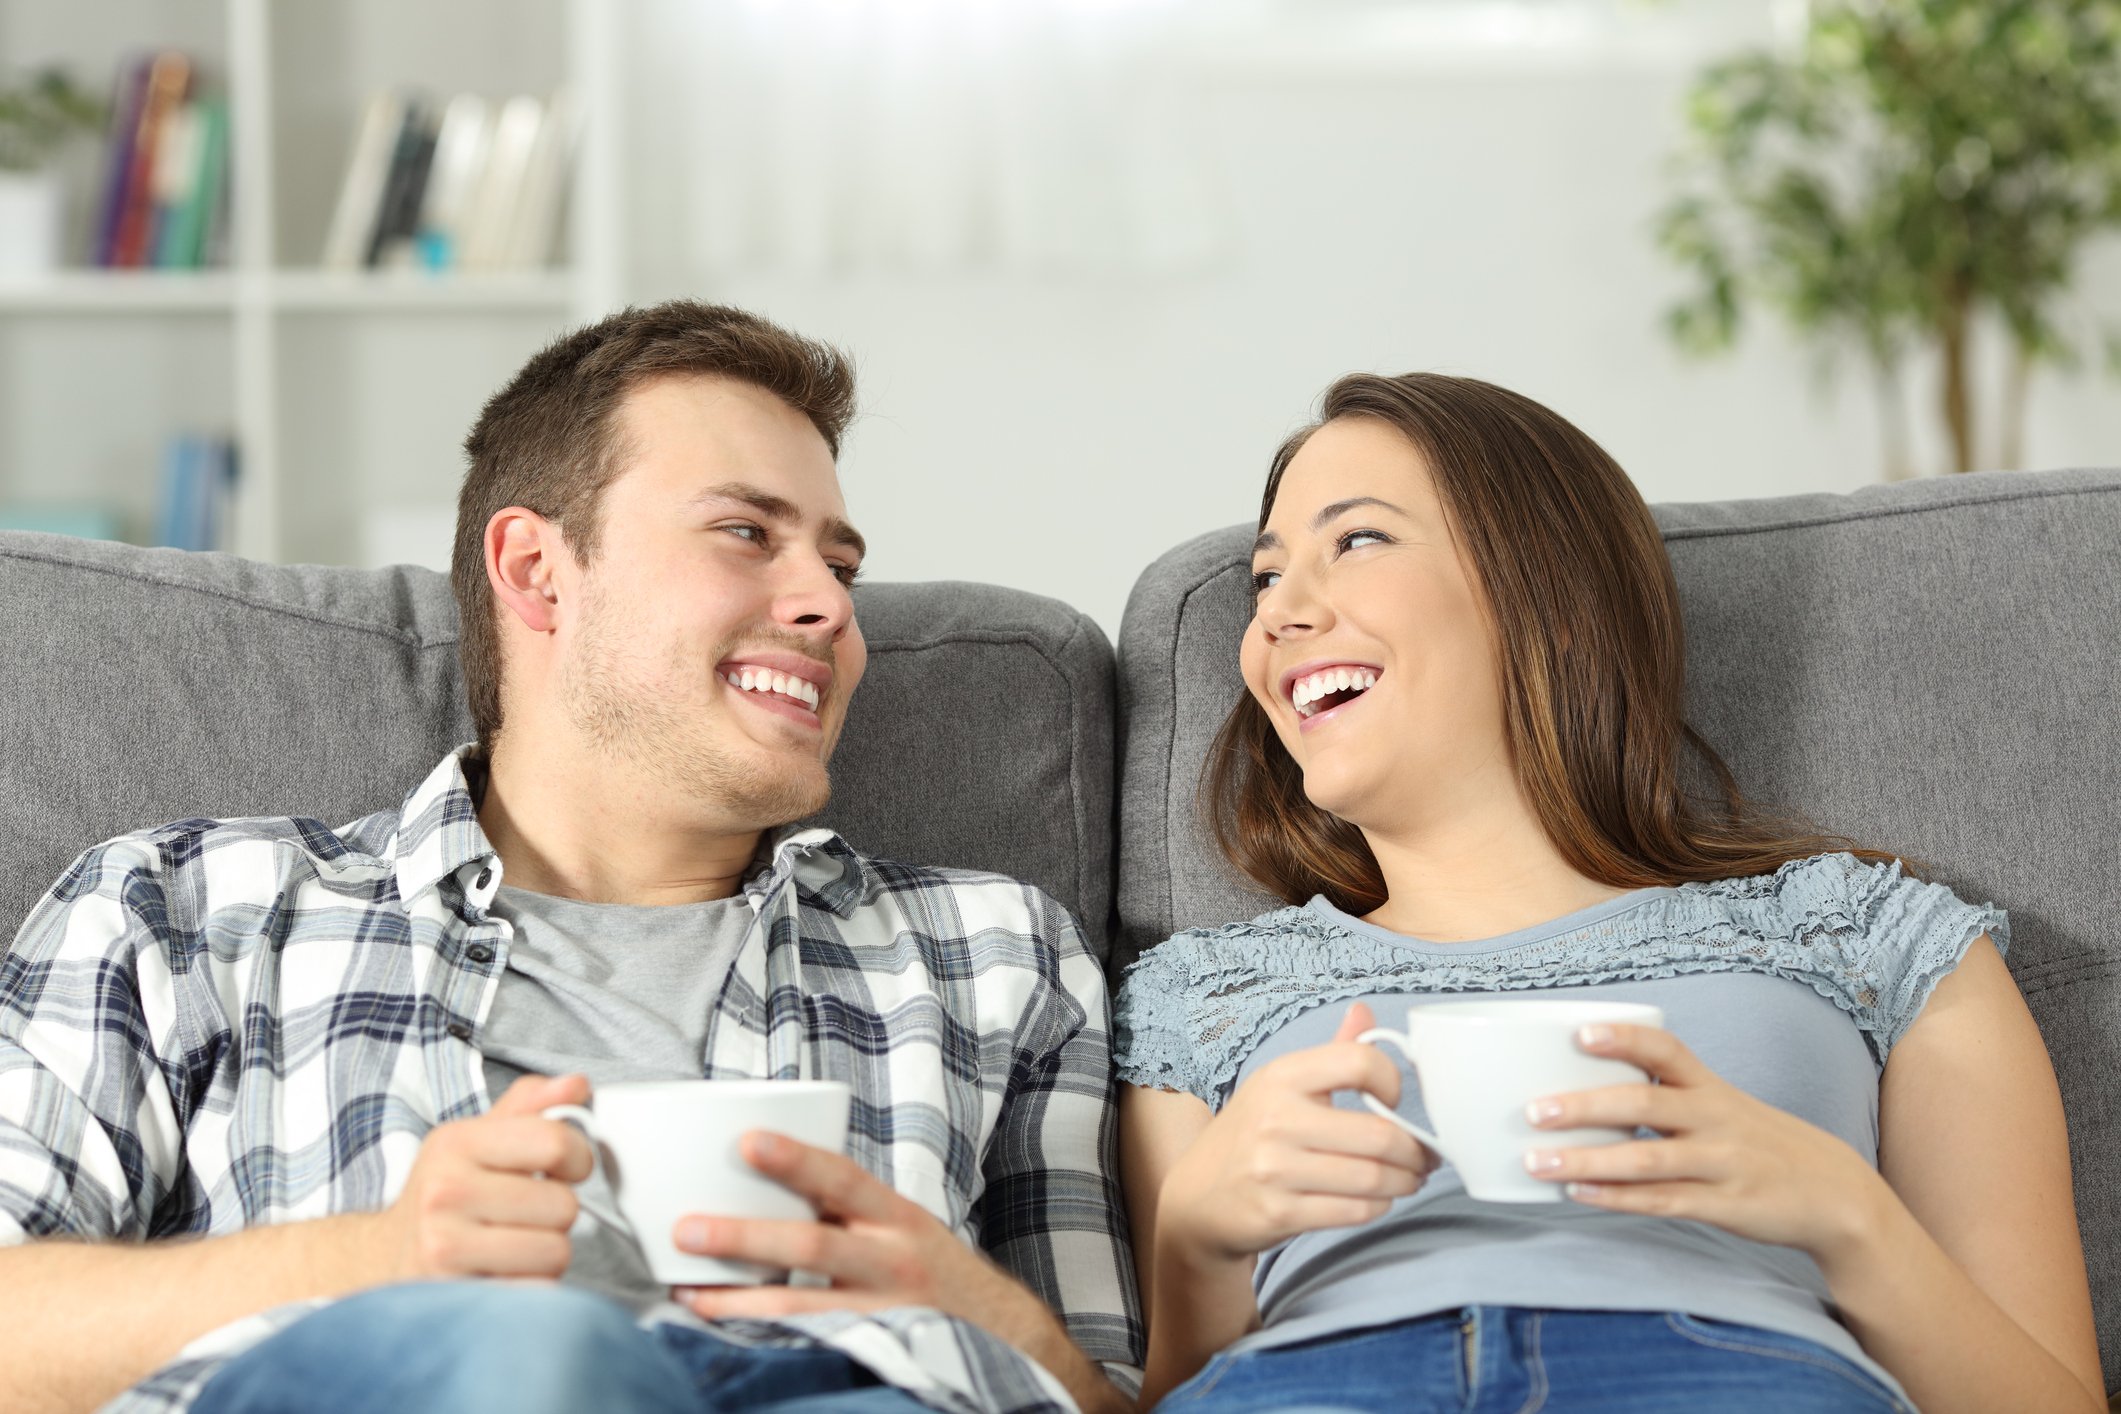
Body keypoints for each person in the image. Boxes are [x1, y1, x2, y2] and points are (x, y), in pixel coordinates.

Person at [0, 301, 1141, 1414]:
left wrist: (973, 1310)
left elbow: (1120, 1397)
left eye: (837, 565)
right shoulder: (188, 910)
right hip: (457, 1375)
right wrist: (377, 1257)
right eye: (747, 533)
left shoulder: (995, 954)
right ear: (539, 571)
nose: (831, 608)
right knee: (532, 1353)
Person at [1114, 372, 2103, 1413]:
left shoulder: (1873, 936)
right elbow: (1183, 1388)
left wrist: (1845, 1218)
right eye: (1266, 580)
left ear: (1549, 591)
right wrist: (1197, 1247)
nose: (1280, 616)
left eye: (1356, 541)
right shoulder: (1198, 1001)